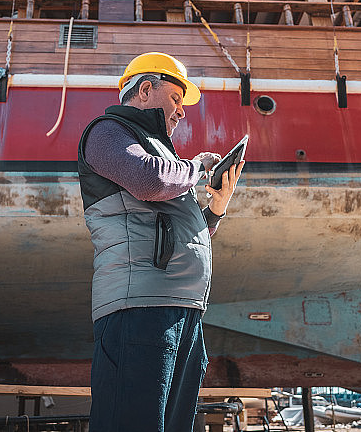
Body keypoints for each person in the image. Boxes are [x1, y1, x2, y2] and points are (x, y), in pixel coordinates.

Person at [77, 52, 244, 432]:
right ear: (146, 89)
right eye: (175, 98)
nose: (182, 112)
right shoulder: (107, 132)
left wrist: (215, 209)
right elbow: (150, 181)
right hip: (139, 310)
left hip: (180, 311)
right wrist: (198, 165)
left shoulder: (162, 153)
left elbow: (172, 229)